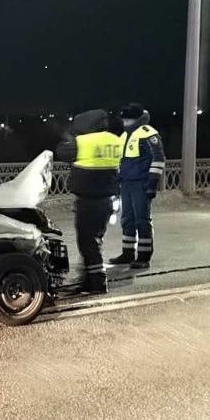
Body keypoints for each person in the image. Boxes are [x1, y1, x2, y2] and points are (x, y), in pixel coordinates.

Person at [57, 109, 124, 293]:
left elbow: (61, 152)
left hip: (89, 200)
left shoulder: (83, 142)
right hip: (108, 199)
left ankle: (97, 283)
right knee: (95, 240)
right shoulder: (115, 140)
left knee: (87, 242)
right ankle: (89, 278)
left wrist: (67, 137)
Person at [110, 103, 165, 269]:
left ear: (135, 119)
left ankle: (143, 257)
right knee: (127, 220)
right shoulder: (124, 135)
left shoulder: (148, 133)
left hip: (141, 183)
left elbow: (158, 159)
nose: (124, 122)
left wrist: (152, 183)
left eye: (127, 119)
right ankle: (127, 254)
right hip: (126, 183)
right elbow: (120, 160)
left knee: (142, 220)